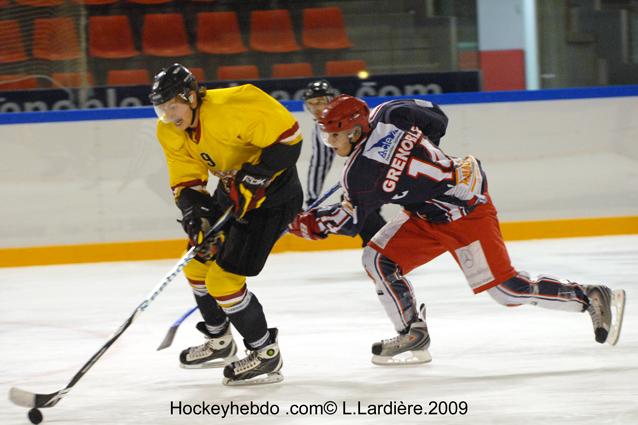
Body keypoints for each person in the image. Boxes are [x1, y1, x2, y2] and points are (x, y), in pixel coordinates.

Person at [288, 94, 626, 365]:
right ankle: (412, 332)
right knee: (377, 259)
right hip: (433, 208)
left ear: (355, 130)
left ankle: (588, 295)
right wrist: (425, 153)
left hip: (466, 213)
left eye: (334, 134)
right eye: (325, 134)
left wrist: (299, 224)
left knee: (507, 291)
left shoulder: (359, 176)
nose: (329, 142)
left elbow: (345, 221)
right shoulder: (392, 112)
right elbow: (436, 116)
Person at [149, 63, 303, 385]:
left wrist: (255, 176)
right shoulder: (169, 130)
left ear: (191, 97)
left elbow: (290, 139)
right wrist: (195, 213)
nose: (168, 115)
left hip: (272, 199)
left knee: (223, 282)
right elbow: (187, 179)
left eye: (173, 106)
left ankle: (266, 354)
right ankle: (220, 341)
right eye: (162, 109)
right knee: (195, 267)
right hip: (232, 190)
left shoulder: (234, 105)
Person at [302, 80, 386, 244]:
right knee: (359, 202)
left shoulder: (350, 112)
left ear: (332, 99)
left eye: (321, 101)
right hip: (375, 169)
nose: (317, 108)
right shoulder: (323, 127)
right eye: (312, 104)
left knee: (356, 201)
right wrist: (312, 198)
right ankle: (383, 245)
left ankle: (384, 246)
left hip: (387, 164)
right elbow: (320, 163)